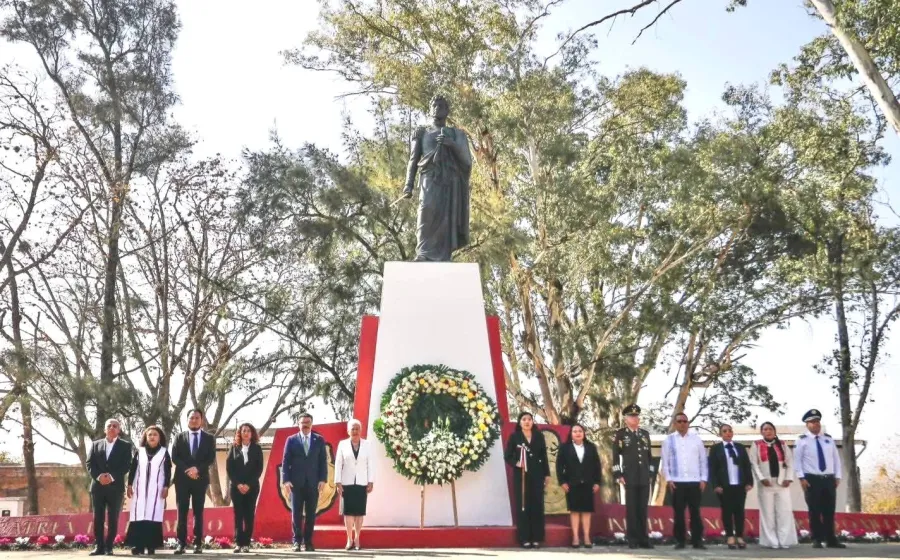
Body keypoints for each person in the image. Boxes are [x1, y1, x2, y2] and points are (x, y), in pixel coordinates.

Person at [399, 94, 473, 262]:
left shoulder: (456, 134)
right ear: (430, 109)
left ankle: (443, 255)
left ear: (447, 111)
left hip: (449, 181)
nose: (437, 108)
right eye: (435, 105)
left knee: (445, 219)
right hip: (429, 178)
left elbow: (467, 163)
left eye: (441, 106)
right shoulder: (422, 132)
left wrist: (451, 144)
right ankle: (423, 252)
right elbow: (413, 159)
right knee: (426, 210)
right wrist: (408, 185)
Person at [794, 409, 845, 549]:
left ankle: (831, 539)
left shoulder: (828, 439)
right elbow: (797, 461)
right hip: (812, 479)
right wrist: (801, 478)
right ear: (807, 425)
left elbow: (836, 459)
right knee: (814, 510)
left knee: (829, 510)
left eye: (817, 421)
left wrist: (837, 476)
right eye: (812, 422)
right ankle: (816, 539)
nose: (816, 424)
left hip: (828, 479)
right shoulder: (802, 440)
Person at [660, 412, 707, 550]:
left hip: (694, 481)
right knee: (679, 513)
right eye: (679, 421)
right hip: (677, 482)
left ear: (688, 423)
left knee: (695, 512)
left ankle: (697, 540)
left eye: (685, 421)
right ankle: (680, 540)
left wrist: (703, 478)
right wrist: (669, 479)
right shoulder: (669, 440)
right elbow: (665, 462)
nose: (682, 424)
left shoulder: (696, 439)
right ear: (675, 424)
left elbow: (703, 460)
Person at [281, 412, 328, 552]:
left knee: (311, 514)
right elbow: (285, 461)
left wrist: (323, 479)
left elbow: (322, 462)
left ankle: (308, 542)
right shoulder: (291, 440)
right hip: (296, 483)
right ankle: (296, 541)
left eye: (308, 422)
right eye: (303, 422)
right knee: (296, 514)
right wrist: (286, 480)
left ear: (311, 424)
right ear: (298, 424)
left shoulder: (319, 440)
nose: (305, 425)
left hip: (313, 483)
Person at [171, 409, 215, 554]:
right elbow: (175, 457)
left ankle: (197, 543)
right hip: (182, 480)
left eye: (197, 418)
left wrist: (197, 470)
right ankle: (181, 543)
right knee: (181, 512)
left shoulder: (209, 438)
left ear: (201, 420)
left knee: (198, 512)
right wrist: (188, 470)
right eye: (191, 417)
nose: (194, 420)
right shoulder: (179, 437)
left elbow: (210, 458)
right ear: (187, 420)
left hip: (200, 479)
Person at [504, 411, 550, 549]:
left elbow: (544, 456)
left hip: (537, 475)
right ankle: (524, 538)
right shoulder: (515, 437)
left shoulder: (539, 436)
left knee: (537, 505)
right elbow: (507, 456)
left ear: (532, 422)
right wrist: (517, 463)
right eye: (524, 419)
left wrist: (546, 474)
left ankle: (537, 538)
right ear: (519, 422)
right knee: (523, 506)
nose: (527, 421)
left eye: (529, 419)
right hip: (521, 476)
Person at [87, 418, 132, 556]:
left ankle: (109, 547)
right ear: (105, 429)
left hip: (115, 487)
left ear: (119, 429)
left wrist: (111, 477)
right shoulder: (95, 445)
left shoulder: (125, 446)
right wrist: (99, 477)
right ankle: (99, 546)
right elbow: (89, 464)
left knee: (113, 518)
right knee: (98, 518)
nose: (112, 428)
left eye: (115, 426)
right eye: (109, 426)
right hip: (98, 487)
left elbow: (126, 465)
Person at [612, 404, 655, 549]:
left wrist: (650, 473)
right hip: (629, 476)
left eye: (636, 416)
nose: (635, 418)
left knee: (643, 508)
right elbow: (615, 456)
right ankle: (632, 538)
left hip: (644, 476)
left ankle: (644, 538)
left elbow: (649, 456)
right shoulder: (621, 434)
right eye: (631, 416)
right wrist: (618, 474)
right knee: (631, 508)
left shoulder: (644, 434)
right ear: (626, 419)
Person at [749, 422, 797, 549]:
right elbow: (754, 464)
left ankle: (785, 540)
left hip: (782, 483)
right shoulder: (756, 444)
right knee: (768, 513)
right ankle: (771, 541)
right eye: (765, 429)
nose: (768, 431)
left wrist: (788, 478)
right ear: (761, 432)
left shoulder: (782, 444)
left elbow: (790, 462)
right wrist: (761, 478)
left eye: (770, 429)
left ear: (775, 431)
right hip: (766, 484)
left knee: (784, 512)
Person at [124, 426, 171, 556]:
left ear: (159, 437)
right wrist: (129, 485)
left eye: (155, 435)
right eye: (149, 434)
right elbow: (133, 469)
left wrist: (166, 486)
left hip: (156, 490)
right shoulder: (140, 452)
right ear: (146, 437)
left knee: (153, 515)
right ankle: (137, 546)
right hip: (139, 490)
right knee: (138, 515)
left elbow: (167, 471)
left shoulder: (164, 452)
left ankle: (151, 546)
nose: (152, 437)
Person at [555, 423, 601, 548]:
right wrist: (562, 482)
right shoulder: (565, 447)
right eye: (575, 431)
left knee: (586, 511)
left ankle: (586, 537)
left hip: (588, 483)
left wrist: (597, 482)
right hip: (572, 484)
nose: (578, 433)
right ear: (571, 434)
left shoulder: (591, 447)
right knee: (574, 511)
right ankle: (575, 537)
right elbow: (559, 466)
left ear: (584, 433)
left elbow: (597, 466)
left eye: (580, 431)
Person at [708, 424, 753, 549]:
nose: (727, 433)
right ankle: (730, 536)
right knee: (727, 511)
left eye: (729, 431)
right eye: (724, 431)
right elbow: (713, 468)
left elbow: (746, 465)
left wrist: (749, 482)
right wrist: (715, 484)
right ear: (720, 434)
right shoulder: (716, 449)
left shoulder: (740, 447)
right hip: (725, 485)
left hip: (740, 484)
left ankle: (739, 535)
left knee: (739, 511)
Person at [334, 419, 375, 551]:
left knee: (359, 512)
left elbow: (371, 464)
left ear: (361, 430)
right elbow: (338, 464)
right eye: (353, 428)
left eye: (357, 428)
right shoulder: (343, 444)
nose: (355, 431)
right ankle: (349, 539)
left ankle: (357, 538)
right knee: (348, 512)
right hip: (347, 482)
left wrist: (371, 481)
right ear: (348, 431)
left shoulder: (367, 444)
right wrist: (337, 482)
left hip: (362, 482)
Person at [225, 423, 264, 553]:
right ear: (240, 433)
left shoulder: (257, 449)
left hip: (252, 488)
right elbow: (229, 469)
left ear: (252, 433)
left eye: (248, 431)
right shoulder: (234, 448)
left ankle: (246, 543)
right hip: (236, 488)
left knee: (249, 515)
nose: (246, 433)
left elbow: (259, 469)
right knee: (238, 515)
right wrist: (238, 484)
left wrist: (248, 484)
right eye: (243, 431)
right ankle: (238, 543)